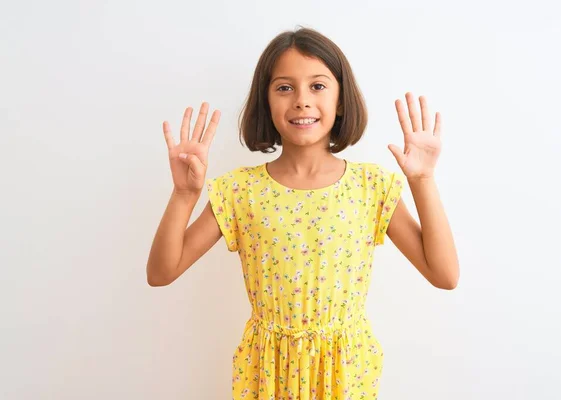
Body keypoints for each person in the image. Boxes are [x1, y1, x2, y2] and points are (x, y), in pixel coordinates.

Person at [146, 27, 459, 399]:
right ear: (266, 101)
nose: (301, 101)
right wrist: (184, 194)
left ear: (341, 99)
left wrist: (422, 180)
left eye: (318, 86)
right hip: (267, 372)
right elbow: (161, 273)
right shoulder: (239, 191)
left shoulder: (371, 186)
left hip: (345, 373)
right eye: (284, 87)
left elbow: (444, 275)